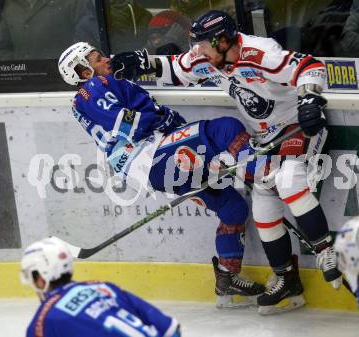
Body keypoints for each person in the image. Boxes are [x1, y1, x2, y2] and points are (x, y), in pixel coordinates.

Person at [110, 9, 342, 314]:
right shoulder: (206, 57)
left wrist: (310, 99)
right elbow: (177, 69)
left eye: (204, 44)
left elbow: (310, 67)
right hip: (264, 138)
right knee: (262, 202)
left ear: (222, 41)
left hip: (296, 126)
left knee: (288, 179)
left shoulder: (260, 53)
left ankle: (326, 251)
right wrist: (144, 64)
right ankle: (286, 280)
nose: (199, 51)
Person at [57, 42, 267, 309]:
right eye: (98, 58)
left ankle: (227, 279)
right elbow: (129, 124)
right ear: (84, 72)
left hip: (159, 162)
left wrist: (166, 122)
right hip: (153, 157)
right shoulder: (91, 89)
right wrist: (161, 118)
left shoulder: (96, 90)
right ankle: (270, 177)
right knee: (226, 129)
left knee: (232, 207)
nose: (106, 59)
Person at [21, 236, 182, 337]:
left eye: (32, 277)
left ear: (41, 277)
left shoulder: (45, 320)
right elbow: (171, 329)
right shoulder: (104, 287)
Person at [0, 0, 99, 60]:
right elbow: (4, 47)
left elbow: (87, 41)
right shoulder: (11, 4)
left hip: (61, 83)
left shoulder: (73, 2)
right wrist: (16, 74)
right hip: (20, 86)